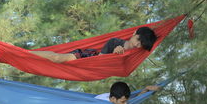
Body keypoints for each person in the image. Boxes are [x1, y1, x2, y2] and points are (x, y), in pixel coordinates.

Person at [28, 27, 157, 63]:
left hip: (89, 67)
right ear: (134, 33)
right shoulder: (114, 42)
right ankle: (25, 53)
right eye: (138, 39)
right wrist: (113, 55)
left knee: (57, 60)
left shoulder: (132, 55)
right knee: (58, 58)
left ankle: (25, 53)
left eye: (141, 44)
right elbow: (98, 60)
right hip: (88, 57)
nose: (137, 44)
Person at [95, 81, 161, 104]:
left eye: (126, 100)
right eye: (123, 101)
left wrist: (146, 89)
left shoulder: (117, 97)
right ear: (113, 99)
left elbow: (134, 99)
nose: (126, 103)